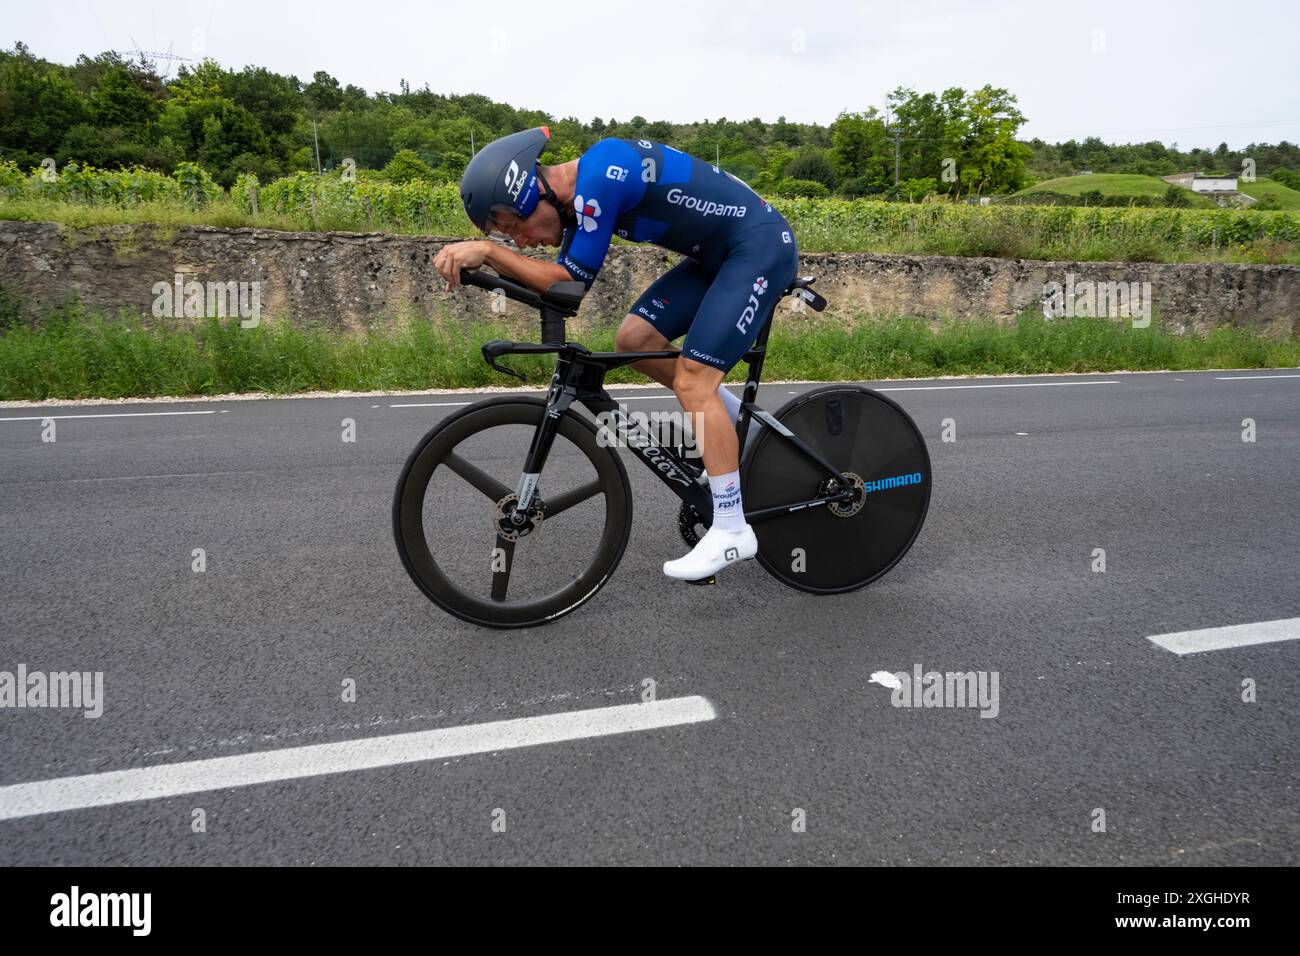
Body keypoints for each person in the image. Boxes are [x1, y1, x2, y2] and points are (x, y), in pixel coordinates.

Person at [433, 125, 799, 581]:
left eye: (511, 228)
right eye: (506, 237)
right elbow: (563, 291)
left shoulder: (602, 176)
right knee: (634, 341)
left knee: (693, 381)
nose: (521, 243)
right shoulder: (581, 199)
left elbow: (570, 281)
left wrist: (488, 252)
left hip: (758, 247)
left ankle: (731, 528)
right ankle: (730, 428)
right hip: (717, 258)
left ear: (530, 195)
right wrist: (487, 266)